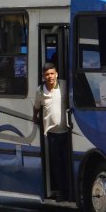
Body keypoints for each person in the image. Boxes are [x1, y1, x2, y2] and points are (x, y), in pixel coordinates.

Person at [33, 62, 69, 201]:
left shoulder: (64, 86)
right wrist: (34, 117)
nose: (50, 77)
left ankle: (69, 189)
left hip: (67, 133)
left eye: (52, 74)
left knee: (67, 163)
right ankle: (62, 191)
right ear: (43, 76)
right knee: (57, 165)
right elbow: (36, 107)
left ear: (57, 74)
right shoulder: (40, 91)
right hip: (52, 134)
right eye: (47, 74)